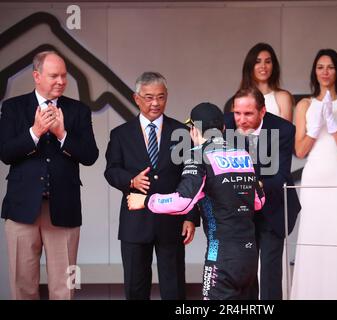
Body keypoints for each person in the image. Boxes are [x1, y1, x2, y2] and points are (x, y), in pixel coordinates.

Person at [127, 102, 265, 300]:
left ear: (193, 130)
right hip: (250, 255)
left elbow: (182, 202)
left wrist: (145, 200)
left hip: (221, 256)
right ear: (223, 129)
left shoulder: (198, 156)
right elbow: (259, 201)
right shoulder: (242, 155)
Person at [0, 50, 99, 299]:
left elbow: (90, 156)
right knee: (22, 286)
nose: (61, 82)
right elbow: (5, 153)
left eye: (64, 76)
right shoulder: (13, 108)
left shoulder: (78, 111)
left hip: (63, 208)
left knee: (64, 288)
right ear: (37, 76)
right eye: (54, 76)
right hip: (22, 208)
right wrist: (34, 132)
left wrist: (62, 134)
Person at [104, 72, 198, 300]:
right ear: (136, 98)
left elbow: (192, 178)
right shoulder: (120, 134)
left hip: (172, 221)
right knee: (136, 288)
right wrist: (131, 181)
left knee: (174, 287)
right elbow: (111, 171)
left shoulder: (181, 132)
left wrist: (191, 218)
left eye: (161, 97)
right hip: (135, 222)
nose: (155, 103)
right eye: (148, 97)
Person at [291, 48, 337, 299]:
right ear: (315, 71)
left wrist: (333, 124)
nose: (325, 72)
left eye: (330, 67)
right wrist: (314, 130)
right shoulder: (303, 105)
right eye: (320, 67)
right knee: (314, 236)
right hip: (315, 178)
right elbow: (300, 151)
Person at [224, 87, 301, 300]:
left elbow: (279, 176)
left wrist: (242, 187)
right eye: (237, 113)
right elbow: (192, 125)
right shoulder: (225, 124)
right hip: (240, 213)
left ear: (263, 112)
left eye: (248, 114)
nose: (241, 119)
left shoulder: (283, 130)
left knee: (269, 273)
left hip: (272, 208)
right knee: (244, 273)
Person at [225, 43, 294, 122]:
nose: (263, 66)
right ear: (250, 66)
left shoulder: (283, 97)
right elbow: (235, 131)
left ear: (273, 66)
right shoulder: (240, 99)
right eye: (258, 62)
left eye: (268, 62)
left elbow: (285, 132)